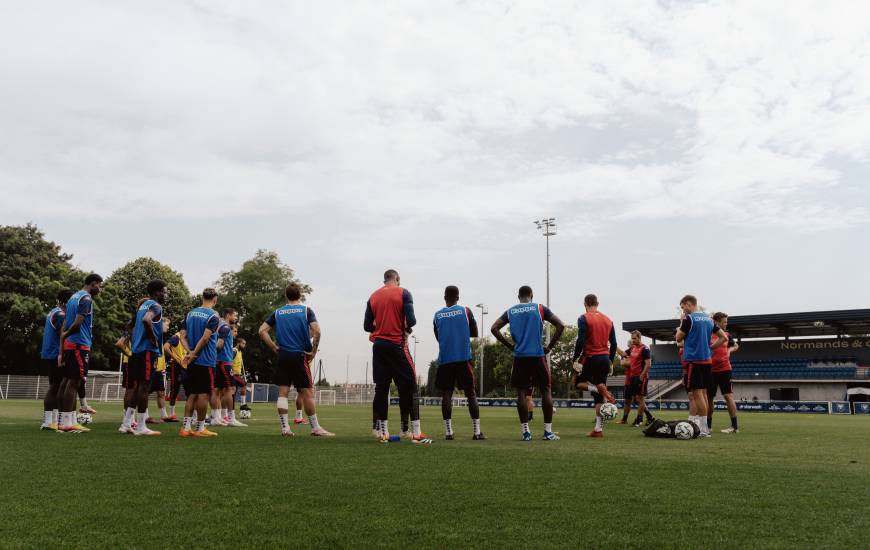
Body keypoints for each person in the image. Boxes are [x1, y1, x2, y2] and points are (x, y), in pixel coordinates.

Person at [258, 283, 334, 437]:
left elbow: (262, 331)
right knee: (307, 393)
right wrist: (313, 351)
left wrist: (273, 347)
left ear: (286, 296)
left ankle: (285, 428)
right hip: (299, 355)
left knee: (283, 392)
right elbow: (317, 331)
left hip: (283, 355)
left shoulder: (278, 312)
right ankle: (315, 428)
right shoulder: (306, 310)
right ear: (300, 295)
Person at [491, 285, 565, 441]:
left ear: (518, 297)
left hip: (520, 356)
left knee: (521, 394)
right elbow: (561, 325)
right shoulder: (539, 308)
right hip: (537, 355)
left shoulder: (511, 310)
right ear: (531, 295)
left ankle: (526, 433)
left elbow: (494, 328)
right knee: (545, 390)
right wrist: (549, 346)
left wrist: (510, 345)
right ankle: (547, 432)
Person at [364, 269, 427, 442]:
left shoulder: (373, 296)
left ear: (384, 280)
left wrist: (381, 324)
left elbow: (367, 326)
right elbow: (412, 320)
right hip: (397, 345)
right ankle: (414, 431)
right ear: (397, 279)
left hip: (378, 347)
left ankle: (382, 431)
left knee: (381, 389)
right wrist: (404, 328)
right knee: (411, 387)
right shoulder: (403, 293)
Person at [433, 285, 485, 440]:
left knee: (446, 395)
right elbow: (474, 333)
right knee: (471, 394)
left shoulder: (437, 315)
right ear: (458, 297)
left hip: (445, 359)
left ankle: (449, 433)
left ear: (444, 298)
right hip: (463, 358)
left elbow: (438, 336)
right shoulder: (466, 311)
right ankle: (476, 432)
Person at [119, 280, 167, 436]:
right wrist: (152, 337)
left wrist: (136, 338)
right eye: (164, 291)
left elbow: (129, 324)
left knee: (137, 387)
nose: (165, 294)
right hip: (147, 351)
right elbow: (147, 320)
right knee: (144, 388)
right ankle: (141, 426)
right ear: (157, 292)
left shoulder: (142, 307)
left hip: (137, 351)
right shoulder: (155, 306)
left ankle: (126, 424)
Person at [675, 294, 727, 438]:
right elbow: (724, 337)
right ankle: (702, 427)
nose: (683, 310)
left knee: (697, 394)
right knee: (703, 394)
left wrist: (681, 326)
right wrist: (710, 347)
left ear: (689, 303)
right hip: (707, 361)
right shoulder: (709, 319)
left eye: (683, 307)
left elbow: (678, 338)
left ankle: (703, 430)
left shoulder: (689, 319)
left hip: (694, 361)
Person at [57, 273, 103, 433]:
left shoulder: (73, 297)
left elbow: (66, 322)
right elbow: (77, 323)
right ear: (93, 283)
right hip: (79, 344)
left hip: (71, 345)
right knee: (75, 382)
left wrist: (64, 338)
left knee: (67, 380)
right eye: (100, 285)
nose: (100, 289)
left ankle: (63, 421)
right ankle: (68, 422)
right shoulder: (86, 299)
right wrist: (66, 334)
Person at [571, 294, 618, 438]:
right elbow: (614, 344)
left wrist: (575, 359)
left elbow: (581, 340)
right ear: (597, 303)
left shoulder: (583, 318)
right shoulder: (608, 320)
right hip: (604, 358)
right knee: (599, 397)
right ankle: (598, 430)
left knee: (577, 382)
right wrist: (610, 361)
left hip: (590, 357)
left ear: (585, 304)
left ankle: (596, 388)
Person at [178, 288, 221, 437]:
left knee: (192, 395)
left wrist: (189, 352)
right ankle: (201, 428)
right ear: (215, 299)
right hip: (205, 360)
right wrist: (195, 354)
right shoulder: (213, 316)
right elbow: (205, 338)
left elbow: (182, 337)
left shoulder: (190, 314)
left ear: (202, 298)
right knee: (204, 395)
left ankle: (185, 428)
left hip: (191, 361)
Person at [39, 289, 72, 431]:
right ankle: (49, 421)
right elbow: (62, 335)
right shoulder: (60, 314)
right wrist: (62, 354)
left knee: (56, 386)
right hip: (55, 353)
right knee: (56, 386)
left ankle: (50, 420)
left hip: (49, 352)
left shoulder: (53, 311)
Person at [709, 312, 740, 434]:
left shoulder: (727, 335)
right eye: (724, 322)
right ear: (717, 322)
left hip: (725, 370)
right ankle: (708, 426)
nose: (726, 324)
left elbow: (736, 345)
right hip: (710, 371)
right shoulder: (708, 334)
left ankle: (734, 427)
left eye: (727, 322)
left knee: (728, 396)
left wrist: (729, 350)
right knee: (709, 398)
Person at [216, 309, 245, 427]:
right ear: (228, 315)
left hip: (221, 362)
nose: (236, 318)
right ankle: (230, 417)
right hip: (224, 362)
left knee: (220, 391)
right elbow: (219, 345)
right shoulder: (225, 327)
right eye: (235, 315)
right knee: (230, 389)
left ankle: (220, 416)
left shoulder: (221, 326)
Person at [147, 317, 173, 424]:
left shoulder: (160, 337)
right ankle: (145, 416)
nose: (168, 326)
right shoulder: (154, 334)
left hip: (160, 369)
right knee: (145, 392)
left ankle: (164, 415)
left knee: (161, 392)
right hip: (152, 368)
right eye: (166, 324)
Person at [626, 330, 654, 427]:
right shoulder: (633, 348)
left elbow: (648, 364)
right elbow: (624, 354)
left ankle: (639, 419)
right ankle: (650, 417)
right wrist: (614, 346)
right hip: (633, 377)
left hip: (641, 377)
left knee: (640, 399)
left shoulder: (645, 349)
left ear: (639, 338)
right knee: (636, 399)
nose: (633, 340)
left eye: (635, 338)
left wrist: (642, 376)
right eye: (632, 338)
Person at [163, 328, 187, 421]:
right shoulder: (176, 337)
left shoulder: (187, 337)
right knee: (175, 389)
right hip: (177, 366)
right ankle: (172, 413)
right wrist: (176, 358)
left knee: (190, 390)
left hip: (185, 366)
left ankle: (194, 414)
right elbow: (165, 347)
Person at [616, 340, 634, 425]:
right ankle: (624, 419)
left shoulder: (636, 354)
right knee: (627, 401)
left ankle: (649, 417)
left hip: (635, 379)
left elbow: (625, 363)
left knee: (638, 400)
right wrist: (614, 346)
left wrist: (625, 361)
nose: (628, 346)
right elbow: (623, 361)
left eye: (629, 344)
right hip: (628, 381)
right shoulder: (628, 353)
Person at [233, 337, 250, 412]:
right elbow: (229, 361)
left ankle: (230, 412)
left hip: (238, 375)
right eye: (243, 343)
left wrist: (242, 374)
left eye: (245, 344)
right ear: (238, 343)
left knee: (233, 394)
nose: (244, 345)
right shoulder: (234, 351)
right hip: (232, 375)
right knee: (244, 384)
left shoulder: (240, 352)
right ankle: (243, 404)